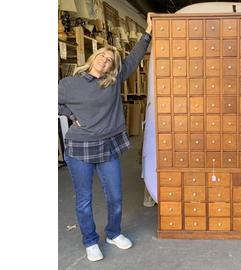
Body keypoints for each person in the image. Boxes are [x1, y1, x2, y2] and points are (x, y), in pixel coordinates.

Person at [58, 13, 153, 262]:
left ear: (112, 66)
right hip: (80, 148)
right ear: (92, 58)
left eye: (110, 59)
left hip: (108, 145)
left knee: (116, 195)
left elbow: (132, 61)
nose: (105, 60)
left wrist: (147, 33)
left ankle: (113, 233)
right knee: (84, 199)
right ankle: (90, 241)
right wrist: (69, 114)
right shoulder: (70, 83)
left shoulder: (112, 82)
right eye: (101, 55)